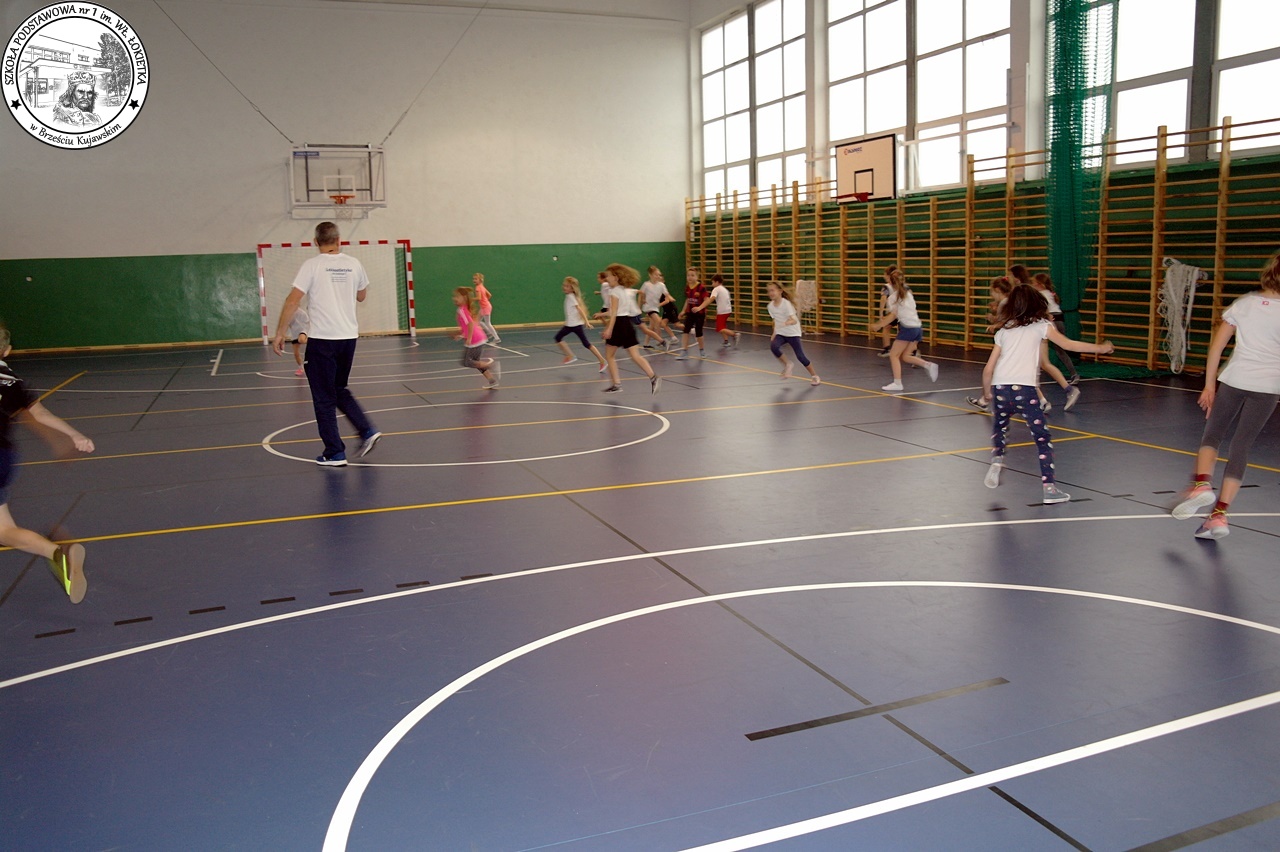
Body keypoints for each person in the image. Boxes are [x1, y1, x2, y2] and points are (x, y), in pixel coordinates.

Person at [1170, 250, 1280, 539]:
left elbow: (1217, 348)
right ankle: (1218, 516)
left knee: (1213, 436)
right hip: (1268, 388)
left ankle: (1202, 484)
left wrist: (1209, 386)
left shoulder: (1243, 305)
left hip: (1235, 380)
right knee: (1241, 447)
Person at [981, 284, 1114, 504]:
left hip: (1000, 388)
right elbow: (1068, 344)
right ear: (1037, 304)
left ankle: (996, 460)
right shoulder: (1041, 326)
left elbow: (988, 369)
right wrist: (1101, 348)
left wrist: (987, 394)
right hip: (1025, 390)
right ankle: (1049, 489)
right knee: (1042, 439)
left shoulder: (1004, 331)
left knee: (1000, 428)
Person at [272, 221, 381, 467]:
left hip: (323, 340)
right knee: (338, 389)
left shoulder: (312, 265)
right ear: (339, 240)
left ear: (316, 242)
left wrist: (280, 332)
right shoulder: (354, 264)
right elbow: (361, 295)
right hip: (348, 338)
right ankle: (366, 429)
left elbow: (292, 301)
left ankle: (334, 452)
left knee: (323, 397)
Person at [0, 325, 95, 603]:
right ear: (7, 351)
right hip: (4, 458)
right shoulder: (12, 382)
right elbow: (40, 414)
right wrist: (75, 435)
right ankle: (56, 552)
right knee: (4, 530)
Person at [967, 277, 1078, 413]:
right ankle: (1046, 399)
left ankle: (987, 400)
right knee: (1038, 367)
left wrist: (995, 323)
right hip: (1033, 334)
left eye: (992, 292)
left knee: (1024, 370)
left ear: (997, 290)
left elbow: (1012, 321)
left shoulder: (1008, 304)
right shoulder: (1015, 302)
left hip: (1024, 339)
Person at [870, 265, 940, 392]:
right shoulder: (908, 294)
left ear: (891, 282)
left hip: (908, 328)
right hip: (918, 328)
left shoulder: (893, 298)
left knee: (894, 355)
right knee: (906, 356)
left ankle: (897, 383)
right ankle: (928, 365)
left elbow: (893, 315)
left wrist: (878, 325)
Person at [601, 263, 661, 394]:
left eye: (608, 276)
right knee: (635, 355)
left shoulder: (614, 292)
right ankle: (653, 377)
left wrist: (609, 328)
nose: (607, 278)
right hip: (627, 324)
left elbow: (614, 312)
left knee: (609, 356)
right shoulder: (625, 290)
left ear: (616, 277)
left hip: (618, 325)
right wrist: (602, 315)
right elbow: (619, 310)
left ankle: (616, 384)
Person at [767, 282, 820, 386]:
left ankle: (814, 376)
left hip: (793, 333)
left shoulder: (786, 304)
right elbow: (775, 320)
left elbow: (794, 320)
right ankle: (788, 364)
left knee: (800, 356)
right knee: (774, 347)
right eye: (769, 291)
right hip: (781, 333)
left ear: (780, 291)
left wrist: (786, 323)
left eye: (773, 290)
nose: (770, 293)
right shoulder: (770, 306)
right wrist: (774, 332)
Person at [553, 276, 607, 371]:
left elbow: (579, 309)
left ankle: (571, 356)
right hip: (573, 324)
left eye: (567, 286)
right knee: (586, 344)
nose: (564, 287)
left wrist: (587, 322)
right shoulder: (570, 296)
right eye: (564, 285)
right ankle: (601, 360)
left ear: (572, 288)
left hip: (573, 325)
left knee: (558, 338)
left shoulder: (571, 297)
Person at [453, 287, 501, 388]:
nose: (454, 298)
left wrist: (469, 338)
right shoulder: (462, 309)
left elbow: (470, 324)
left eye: (457, 296)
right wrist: (461, 334)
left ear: (464, 298)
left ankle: (491, 365)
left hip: (475, 340)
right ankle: (492, 381)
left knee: (467, 362)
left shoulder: (462, 310)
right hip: (478, 338)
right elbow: (466, 326)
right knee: (477, 362)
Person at [640, 267, 679, 350]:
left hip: (655, 308)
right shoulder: (646, 284)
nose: (658, 276)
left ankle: (646, 344)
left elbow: (666, 294)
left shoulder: (661, 285)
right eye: (656, 274)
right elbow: (641, 293)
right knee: (658, 321)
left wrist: (670, 297)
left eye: (659, 275)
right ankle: (662, 341)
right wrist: (642, 300)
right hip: (648, 307)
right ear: (650, 275)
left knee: (651, 327)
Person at [675, 267, 709, 360]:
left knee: (699, 332)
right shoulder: (687, 287)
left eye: (692, 275)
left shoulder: (701, 288)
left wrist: (699, 308)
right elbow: (688, 300)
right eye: (688, 275)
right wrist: (683, 310)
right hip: (690, 313)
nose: (690, 277)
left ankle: (702, 350)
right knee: (686, 330)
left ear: (697, 277)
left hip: (699, 314)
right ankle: (684, 351)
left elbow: (707, 300)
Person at [707, 273, 741, 348]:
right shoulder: (725, 289)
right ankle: (726, 341)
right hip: (728, 310)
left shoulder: (716, 289)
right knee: (723, 326)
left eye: (713, 282)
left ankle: (734, 335)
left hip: (722, 311)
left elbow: (712, 298)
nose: (712, 284)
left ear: (717, 282)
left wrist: (705, 304)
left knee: (720, 328)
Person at [473, 273, 500, 344]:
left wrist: (470, 299)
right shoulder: (482, 286)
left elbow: (479, 298)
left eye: (476, 279)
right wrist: (484, 301)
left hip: (485, 307)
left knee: (488, 323)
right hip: (484, 306)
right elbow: (489, 295)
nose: (474, 280)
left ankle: (497, 338)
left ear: (480, 280)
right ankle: (489, 333)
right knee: (477, 321)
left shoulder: (478, 288)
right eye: (473, 279)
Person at [287, 303, 309, 377]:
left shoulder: (302, 313)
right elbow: (288, 323)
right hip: (294, 333)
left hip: (302, 331)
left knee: (301, 340)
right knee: (296, 353)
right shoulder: (289, 313)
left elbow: (307, 322)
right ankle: (300, 367)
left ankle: (311, 340)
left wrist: (306, 330)